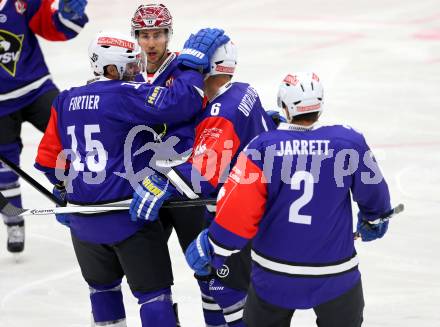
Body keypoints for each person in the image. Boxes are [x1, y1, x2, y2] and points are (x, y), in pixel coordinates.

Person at [34, 29, 229, 327]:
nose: (137, 70)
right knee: (153, 298)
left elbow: (49, 160)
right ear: (112, 69)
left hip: (83, 224)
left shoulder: (64, 100)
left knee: (102, 292)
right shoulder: (123, 94)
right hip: (130, 218)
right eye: (130, 65)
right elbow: (182, 102)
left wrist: (62, 189)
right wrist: (191, 65)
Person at [184, 72, 393, 327]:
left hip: (274, 277)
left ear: (284, 106)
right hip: (336, 277)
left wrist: (214, 245)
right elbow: (376, 197)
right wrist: (375, 219)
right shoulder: (349, 142)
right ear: (320, 104)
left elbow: (238, 213)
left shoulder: (262, 147)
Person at [130, 39, 276, 327]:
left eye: (196, 67)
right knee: (218, 287)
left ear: (209, 68)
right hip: (255, 209)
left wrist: (163, 182)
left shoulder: (220, 113)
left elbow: (201, 174)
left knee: (229, 292)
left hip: (236, 217)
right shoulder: (244, 90)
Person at [0, 0, 88, 253]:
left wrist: (68, 15)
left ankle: (91, 191)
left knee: (74, 133)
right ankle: (13, 218)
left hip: (36, 89)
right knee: (5, 167)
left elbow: (55, 28)